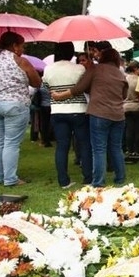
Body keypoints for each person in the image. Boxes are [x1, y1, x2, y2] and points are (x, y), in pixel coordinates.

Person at [52, 48, 128, 187]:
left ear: (103, 57)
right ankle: (120, 178)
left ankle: (98, 182)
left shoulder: (95, 69)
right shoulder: (120, 73)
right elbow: (124, 95)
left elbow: (79, 88)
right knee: (116, 148)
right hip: (118, 115)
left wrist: (59, 96)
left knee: (99, 149)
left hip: (99, 113)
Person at [0, 31, 42, 186]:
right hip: (13, 104)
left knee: (1, 141)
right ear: (15, 46)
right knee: (11, 143)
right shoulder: (20, 61)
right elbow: (37, 83)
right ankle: (10, 179)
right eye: (22, 46)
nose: (23, 49)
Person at [42, 42, 93, 189]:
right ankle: (88, 177)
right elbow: (85, 87)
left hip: (57, 111)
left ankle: (63, 181)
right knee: (84, 144)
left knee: (62, 146)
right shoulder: (79, 68)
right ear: (71, 52)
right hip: (78, 110)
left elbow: (45, 88)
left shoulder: (48, 69)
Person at [123, 60, 139, 159]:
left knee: (129, 129)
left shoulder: (125, 79)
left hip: (126, 107)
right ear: (135, 69)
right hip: (138, 107)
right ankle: (138, 151)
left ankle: (129, 150)